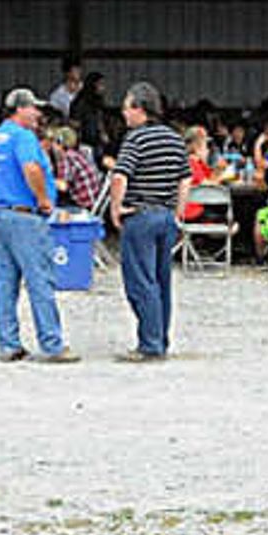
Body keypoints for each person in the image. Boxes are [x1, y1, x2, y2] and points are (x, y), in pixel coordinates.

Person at [0, 88, 70, 363]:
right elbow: (31, 169)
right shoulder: (23, 137)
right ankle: (52, 344)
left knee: (4, 284)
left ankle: (8, 344)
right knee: (39, 280)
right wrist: (44, 199)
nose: (38, 114)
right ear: (20, 109)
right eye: (34, 108)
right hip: (24, 216)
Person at [100, 83, 185, 360]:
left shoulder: (136, 139)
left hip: (140, 216)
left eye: (126, 107)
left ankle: (149, 344)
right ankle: (160, 339)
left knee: (140, 282)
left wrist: (115, 208)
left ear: (140, 109)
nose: (123, 113)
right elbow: (186, 178)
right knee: (161, 281)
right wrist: (178, 212)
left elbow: (120, 175)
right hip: (166, 216)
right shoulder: (174, 138)